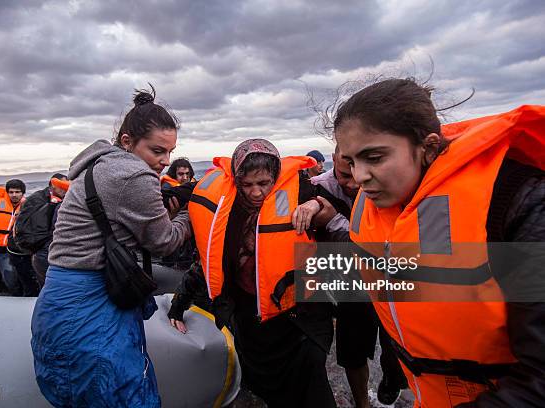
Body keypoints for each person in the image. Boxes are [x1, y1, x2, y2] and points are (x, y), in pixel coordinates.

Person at [335, 78, 545, 407]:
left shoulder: (518, 203)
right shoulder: (376, 203)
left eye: (373, 158)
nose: (359, 176)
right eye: (350, 162)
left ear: (429, 147)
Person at [30, 87, 192, 407]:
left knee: (75, 391)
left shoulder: (97, 166)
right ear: (128, 141)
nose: (164, 161)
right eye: (157, 151)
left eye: (170, 152)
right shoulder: (133, 173)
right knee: (123, 393)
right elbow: (165, 242)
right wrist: (187, 215)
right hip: (93, 306)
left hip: (58, 301)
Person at [187, 139, 336, 408]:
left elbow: (336, 210)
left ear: (276, 178)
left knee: (313, 386)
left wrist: (315, 206)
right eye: (247, 185)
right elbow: (208, 262)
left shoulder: (300, 193)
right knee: (266, 390)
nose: (256, 192)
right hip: (252, 321)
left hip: (297, 319)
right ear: (237, 182)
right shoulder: (228, 212)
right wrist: (179, 304)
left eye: (264, 183)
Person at [294, 146, 407, 407]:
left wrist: (333, 219)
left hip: (390, 277)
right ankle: (361, 404)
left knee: (397, 349)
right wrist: (312, 203)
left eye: (360, 172)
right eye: (345, 174)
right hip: (348, 283)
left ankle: (392, 378)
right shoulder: (316, 187)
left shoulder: (391, 184)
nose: (354, 183)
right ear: (332, 161)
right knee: (352, 353)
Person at [14, 173, 68, 287]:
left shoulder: (48, 199)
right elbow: (37, 226)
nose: (65, 190)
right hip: (41, 249)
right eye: (62, 186)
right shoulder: (39, 200)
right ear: (53, 185)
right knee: (49, 284)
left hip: (42, 248)